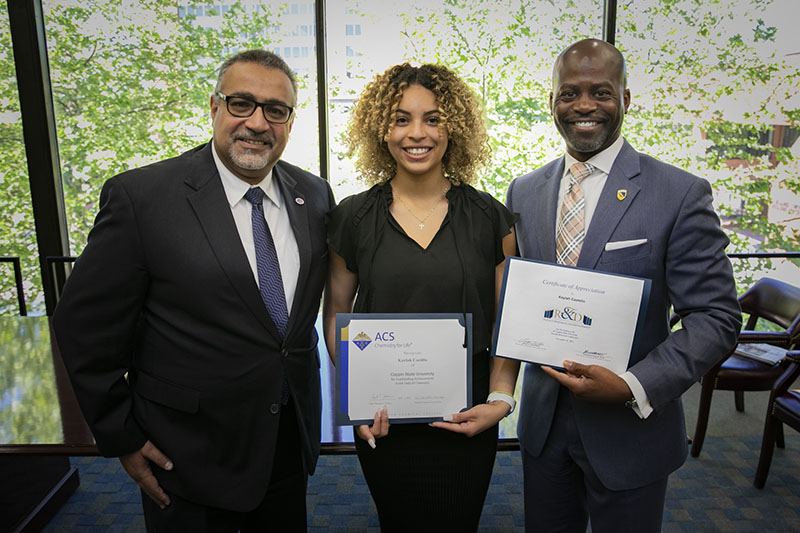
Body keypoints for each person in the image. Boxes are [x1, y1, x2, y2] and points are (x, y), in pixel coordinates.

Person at [53, 49, 334, 531]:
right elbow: (83, 327)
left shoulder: (315, 195)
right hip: (185, 454)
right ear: (214, 107)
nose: (257, 122)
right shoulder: (142, 198)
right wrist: (120, 436)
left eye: (275, 110)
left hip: (285, 440)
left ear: (289, 121)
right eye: (242, 103)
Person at [506, 39, 742, 532]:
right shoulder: (523, 191)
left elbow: (717, 318)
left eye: (601, 92)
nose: (585, 105)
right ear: (552, 102)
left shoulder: (678, 193)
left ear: (626, 100)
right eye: (569, 93)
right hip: (544, 425)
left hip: (630, 429)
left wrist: (635, 385)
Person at [323, 63, 518, 531]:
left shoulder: (490, 217)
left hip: (468, 415)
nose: (417, 133)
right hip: (383, 416)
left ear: (454, 127)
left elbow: (509, 321)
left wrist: (501, 398)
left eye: (433, 118)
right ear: (380, 129)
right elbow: (336, 314)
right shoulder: (352, 217)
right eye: (400, 118)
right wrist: (357, 400)